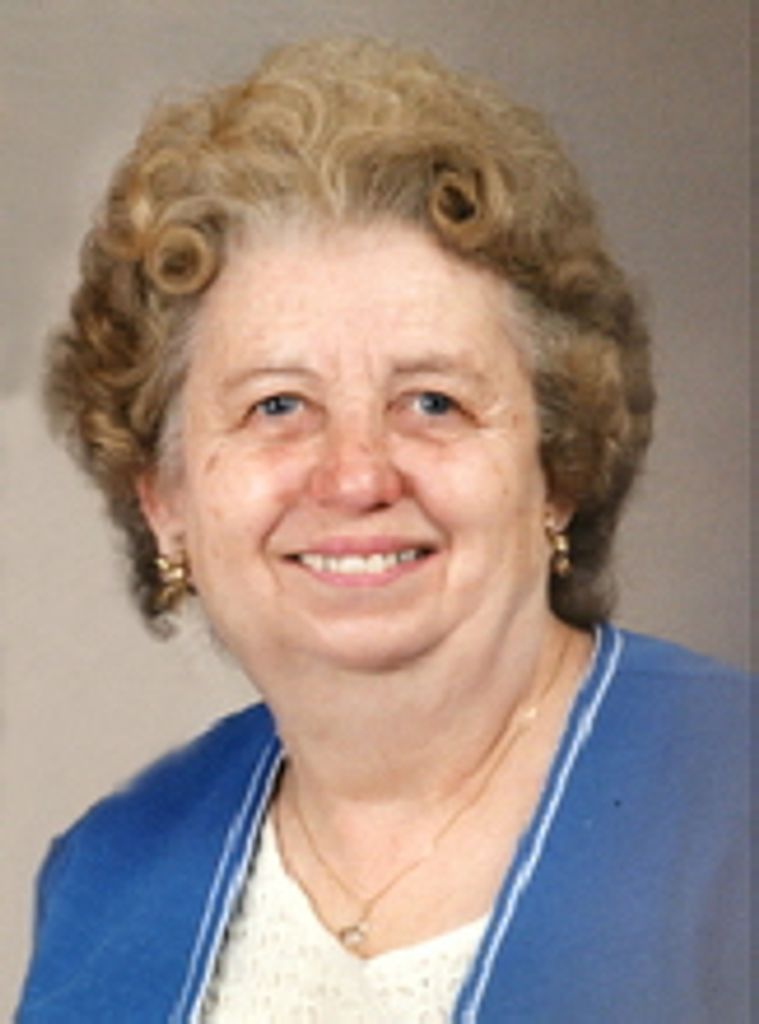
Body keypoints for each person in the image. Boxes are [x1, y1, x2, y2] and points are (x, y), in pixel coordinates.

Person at [16, 37, 749, 1023]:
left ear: (558, 472)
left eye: (433, 401)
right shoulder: (108, 877)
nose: (357, 475)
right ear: (165, 502)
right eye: (277, 406)